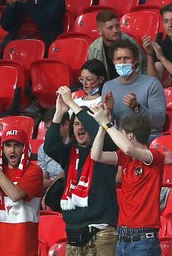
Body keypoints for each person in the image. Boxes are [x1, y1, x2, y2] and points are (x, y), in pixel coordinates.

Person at [46, 87, 118, 256]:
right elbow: (49, 146)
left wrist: (72, 103)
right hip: (73, 232)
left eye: (84, 123)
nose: (80, 127)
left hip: (100, 232)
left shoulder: (106, 148)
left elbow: (100, 130)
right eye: (76, 123)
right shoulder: (68, 152)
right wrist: (59, 112)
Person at [89, 107, 163, 256]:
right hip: (122, 237)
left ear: (130, 135)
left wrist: (107, 124)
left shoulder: (154, 157)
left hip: (143, 240)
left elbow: (128, 148)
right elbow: (96, 156)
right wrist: (102, 127)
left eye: (122, 133)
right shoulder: (125, 158)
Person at [102, 39, 167, 134]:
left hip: (148, 138)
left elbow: (159, 121)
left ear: (135, 60)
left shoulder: (152, 84)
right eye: (118, 59)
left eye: (126, 58)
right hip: (121, 138)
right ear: (113, 62)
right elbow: (107, 126)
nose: (122, 62)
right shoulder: (108, 86)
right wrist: (109, 111)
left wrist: (137, 108)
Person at [0, 126, 41, 255]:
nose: (12, 150)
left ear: (24, 148)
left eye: (17, 145)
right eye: (8, 145)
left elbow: (15, 195)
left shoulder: (34, 171)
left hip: (23, 249)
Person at [87, 9, 146, 80]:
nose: (115, 30)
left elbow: (139, 70)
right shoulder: (94, 48)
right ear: (100, 31)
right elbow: (94, 75)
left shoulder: (131, 43)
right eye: (110, 28)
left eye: (117, 26)